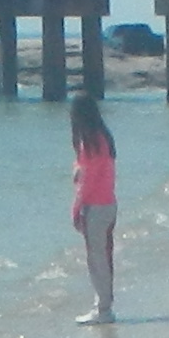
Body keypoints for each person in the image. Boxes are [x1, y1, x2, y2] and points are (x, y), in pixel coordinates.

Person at [64, 94, 121, 322]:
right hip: (109, 203)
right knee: (105, 257)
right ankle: (105, 305)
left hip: (95, 207)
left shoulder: (88, 141)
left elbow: (85, 181)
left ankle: (103, 309)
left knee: (96, 259)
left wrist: (76, 209)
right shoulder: (104, 138)